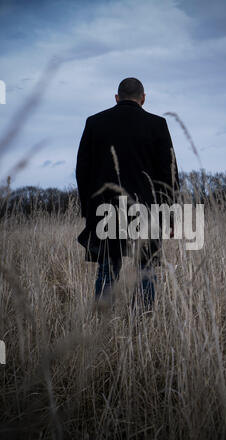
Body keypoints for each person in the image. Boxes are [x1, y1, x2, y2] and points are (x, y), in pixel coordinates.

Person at [76, 77, 179, 310]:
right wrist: (170, 217)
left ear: (116, 98)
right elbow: (169, 175)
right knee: (146, 268)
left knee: (108, 268)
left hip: (105, 208)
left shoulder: (95, 123)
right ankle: (141, 323)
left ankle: (103, 324)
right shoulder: (157, 124)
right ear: (143, 98)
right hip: (148, 210)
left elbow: (82, 171)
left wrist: (89, 212)